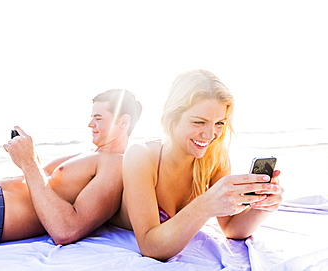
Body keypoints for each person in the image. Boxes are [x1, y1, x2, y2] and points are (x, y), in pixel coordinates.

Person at [110, 70, 284, 261]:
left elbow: (231, 228)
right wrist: (204, 206)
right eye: (199, 122)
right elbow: (150, 246)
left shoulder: (215, 158)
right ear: (172, 118)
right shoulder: (141, 156)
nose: (210, 135)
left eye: (219, 123)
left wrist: (262, 206)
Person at [0, 89, 142, 252]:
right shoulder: (92, 154)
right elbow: (44, 184)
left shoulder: (116, 164)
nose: (90, 124)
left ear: (123, 122)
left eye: (98, 118)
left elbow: (67, 230)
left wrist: (29, 162)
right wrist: (28, 158)